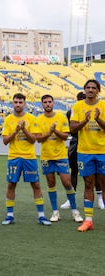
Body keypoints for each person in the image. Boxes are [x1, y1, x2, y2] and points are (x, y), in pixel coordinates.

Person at [1, 93, 51, 226]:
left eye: (20, 102)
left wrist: (23, 129)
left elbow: (33, 139)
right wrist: (16, 131)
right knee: (11, 184)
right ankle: (9, 215)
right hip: (14, 157)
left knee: (35, 184)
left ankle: (41, 216)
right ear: (13, 103)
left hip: (29, 157)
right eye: (16, 102)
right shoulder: (8, 120)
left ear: (24, 104)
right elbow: (5, 141)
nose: (18, 104)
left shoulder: (31, 119)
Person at [36, 94, 83, 223]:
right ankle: (55, 212)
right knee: (51, 184)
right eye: (45, 102)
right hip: (46, 156)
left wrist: (55, 131)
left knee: (67, 182)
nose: (47, 104)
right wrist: (49, 133)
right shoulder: (39, 119)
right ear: (42, 104)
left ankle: (75, 211)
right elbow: (38, 139)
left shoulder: (61, 118)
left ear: (53, 103)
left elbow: (65, 136)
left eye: (49, 102)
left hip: (61, 156)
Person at [69, 79, 105, 232]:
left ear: (98, 90)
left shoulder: (103, 105)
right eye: (88, 88)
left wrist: (98, 119)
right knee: (88, 184)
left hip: (102, 152)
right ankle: (88, 220)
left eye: (93, 88)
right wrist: (85, 120)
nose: (90, 90)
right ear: (84, 90)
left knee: (104, 186)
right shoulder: (77, 106)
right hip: (84, 152)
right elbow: (73, 129)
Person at [60, 92, 85, 209]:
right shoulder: (71, 112)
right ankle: (71, 198)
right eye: (80, 100)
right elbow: (72, 130)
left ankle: (100, 198)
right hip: (76, 143)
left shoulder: (95, 110)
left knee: (95, 173)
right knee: (73, 170)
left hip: (92, 144)